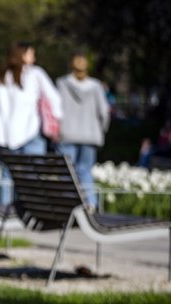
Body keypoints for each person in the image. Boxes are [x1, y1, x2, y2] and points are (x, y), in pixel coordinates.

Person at [0, 41, 63, 206]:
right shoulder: (35, 74)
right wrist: (58, 122)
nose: (34, 58)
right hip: (31, 132)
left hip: (5, 136)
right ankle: (33, 208)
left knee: (7, 175)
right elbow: (55, 99)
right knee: (32, 175)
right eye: (31, 54)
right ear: (22, 55)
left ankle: (5, 211)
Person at [56, 52, 111, 208]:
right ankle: (90, 204)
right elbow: (104, 111)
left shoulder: (62, 83)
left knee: (68, 172)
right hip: (90, 135)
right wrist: (100, 130)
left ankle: (68, 205)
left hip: (67, 134)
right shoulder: (96, 86)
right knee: (85, 171)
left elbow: (56, 108)